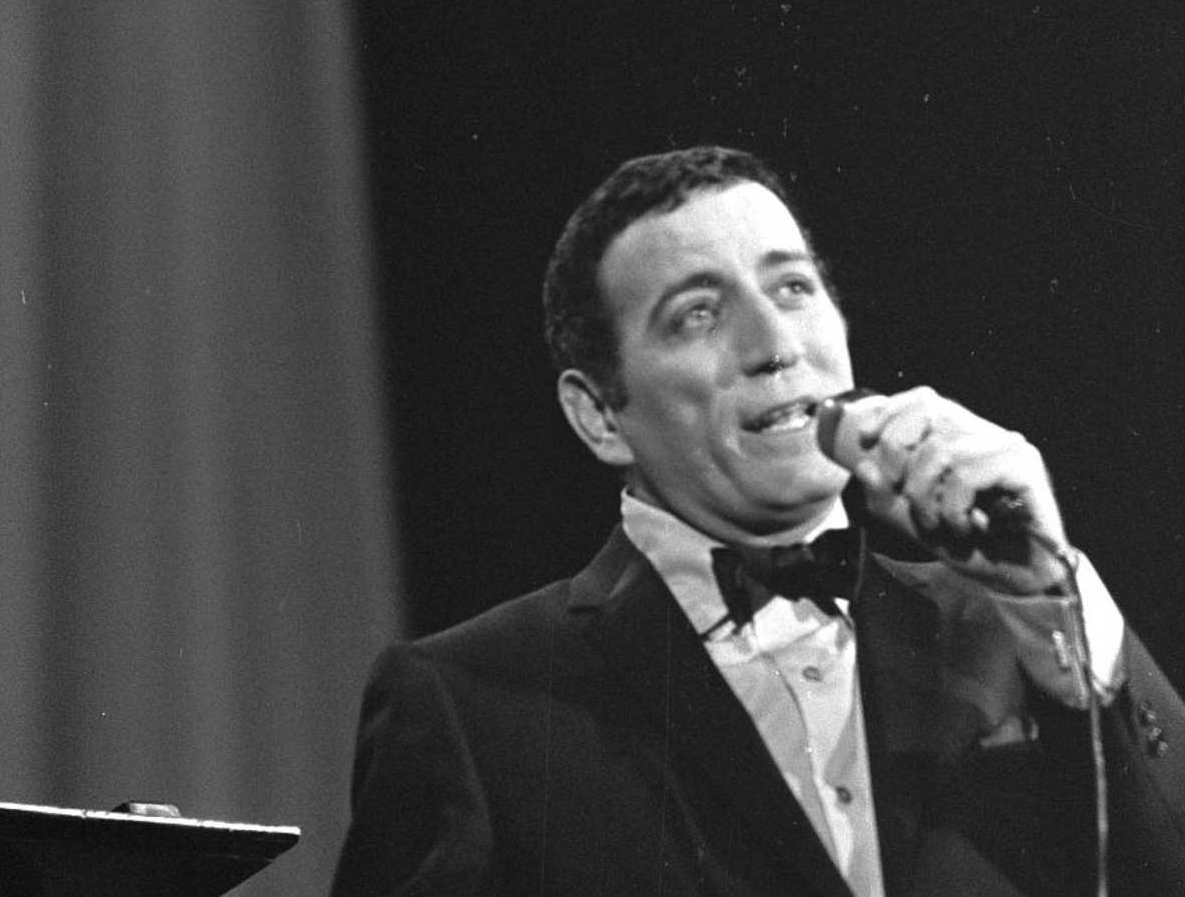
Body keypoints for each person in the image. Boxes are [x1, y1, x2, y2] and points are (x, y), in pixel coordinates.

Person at [330, 146, 1185, 896]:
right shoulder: (472, 706)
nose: (776, 343)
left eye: (793, 287)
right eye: (698, 313)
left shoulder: (1011, 630)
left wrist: (1052, 596)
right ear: (600, 415)